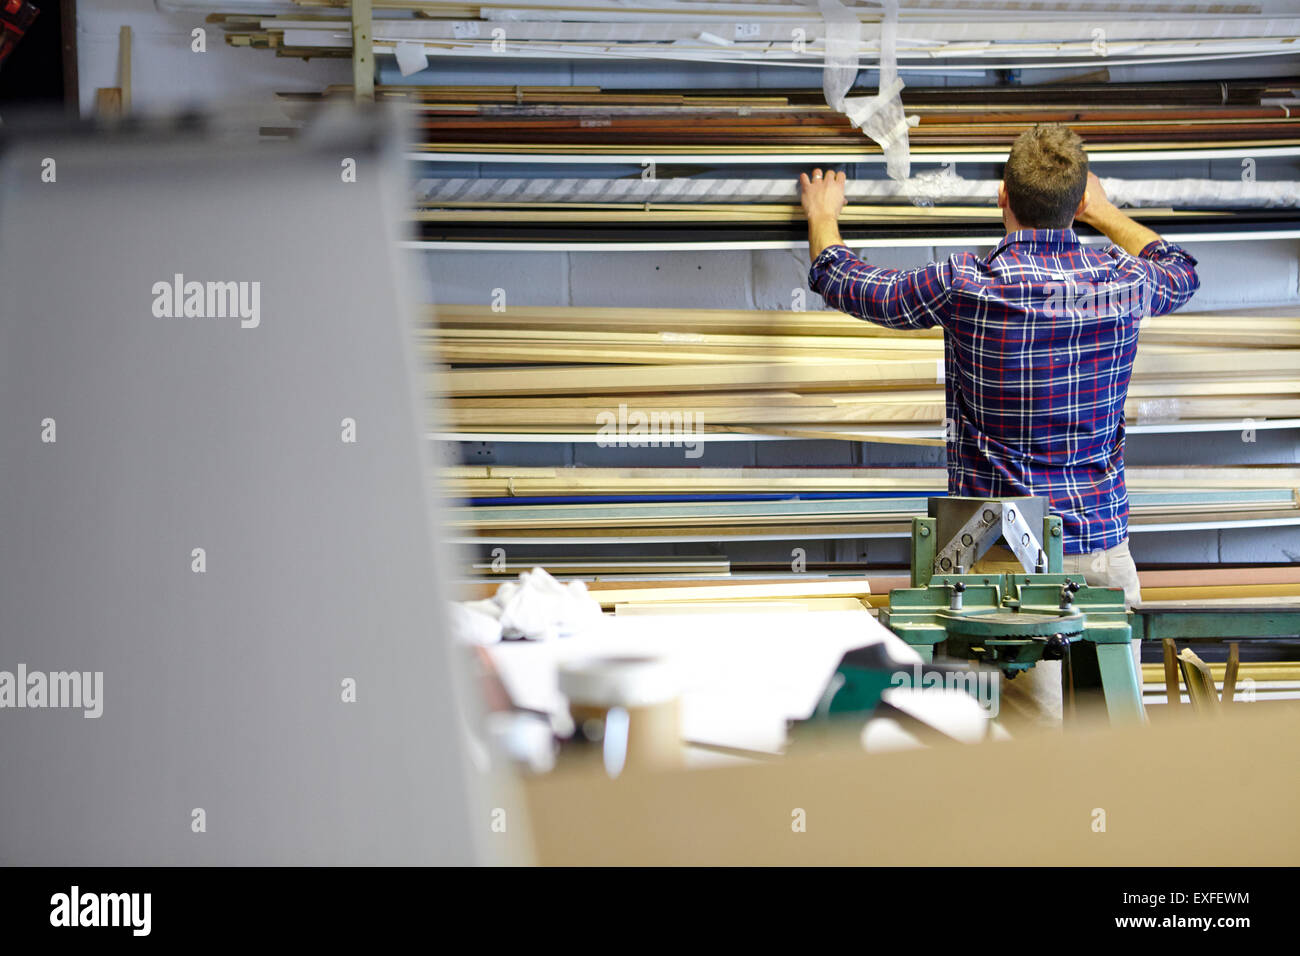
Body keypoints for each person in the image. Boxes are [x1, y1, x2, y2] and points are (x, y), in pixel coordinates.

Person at [799, 124, 1201, 726]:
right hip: (1100, 544)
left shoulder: (965, 283)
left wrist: (823, 216)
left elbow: (848, 282)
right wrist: (1106, 211)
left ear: (1001, 197)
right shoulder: (1126, 283)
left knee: (1024, 761)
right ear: (1077, 203)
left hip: (1002, 558)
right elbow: (1181, 267)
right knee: (1114, 749)